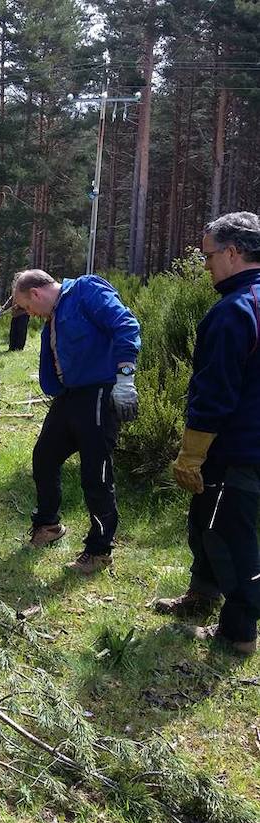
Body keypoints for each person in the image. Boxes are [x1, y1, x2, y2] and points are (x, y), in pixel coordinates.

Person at [156, 212, 260, 656]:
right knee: (205, 520)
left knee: (230, 535)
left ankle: (237, 634)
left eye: (209, 256)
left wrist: (192, 453)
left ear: (233, 253)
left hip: (234, 446)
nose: (206, 265)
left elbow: (215, 392)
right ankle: (201, 595)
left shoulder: (234, 310)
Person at [12, 269, 140, 574]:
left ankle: (99, 550)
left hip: (98, 392)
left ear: (36, 294)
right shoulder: (54, 315)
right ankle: (48, 525)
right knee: (44, 456)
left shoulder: (85, 290)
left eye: (28, 307)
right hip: (71, 395)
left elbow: (126, 324)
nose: (31, 314)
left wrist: (125, 378)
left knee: (95, 473)